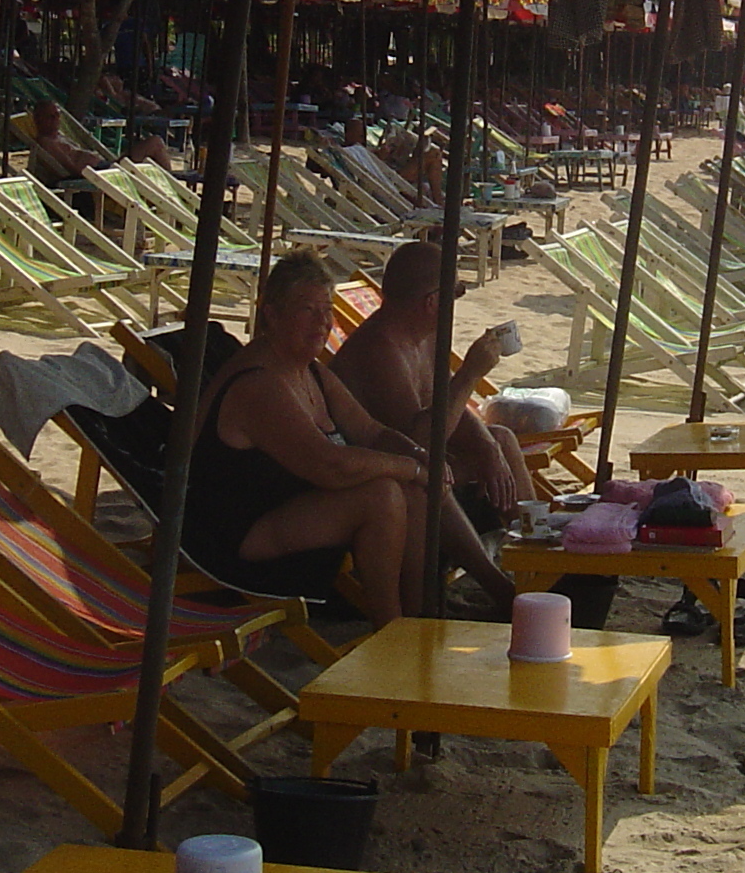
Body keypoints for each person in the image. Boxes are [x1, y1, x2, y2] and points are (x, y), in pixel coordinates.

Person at [185, 251, 508, 626]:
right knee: (384, 495)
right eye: (308, 310)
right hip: (233, 537)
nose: (323, 322)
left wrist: (416, 455)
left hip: (286, 510)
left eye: (327, 309)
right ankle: (391, 627)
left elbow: (370, 430)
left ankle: (421, 615)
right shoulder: (259, 384)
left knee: (413, 488)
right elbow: (330, 466)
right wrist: (411, 467)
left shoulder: (311, 371)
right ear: (270, 314)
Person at [330, 241, 532, 536]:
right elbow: (418, 442)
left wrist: (487, 446)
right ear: (432, 302)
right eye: (456, 292)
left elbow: (446, 405)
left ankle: (534, 540)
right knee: (487, 452)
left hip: (423, 458)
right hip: (386, 475)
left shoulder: (425, 335)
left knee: (501, 439)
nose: (457, 299)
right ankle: (526, 544)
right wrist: (470, 374)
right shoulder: (380, 350)